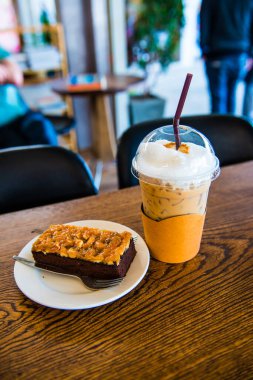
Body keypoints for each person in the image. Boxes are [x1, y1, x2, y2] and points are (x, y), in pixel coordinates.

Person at [199, 0, 253, 114]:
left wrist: (204, 48)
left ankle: (218, 131)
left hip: (217, 53)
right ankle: (228, 130)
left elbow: (204, 21)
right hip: (240, 54)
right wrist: (250, 54)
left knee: (218, 100)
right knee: (230, 97)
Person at [0, 46, 58, 149]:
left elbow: (17, 78)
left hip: (22, 116)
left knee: (42, 129)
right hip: (3, 129)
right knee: (19, 154)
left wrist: (7, 68)